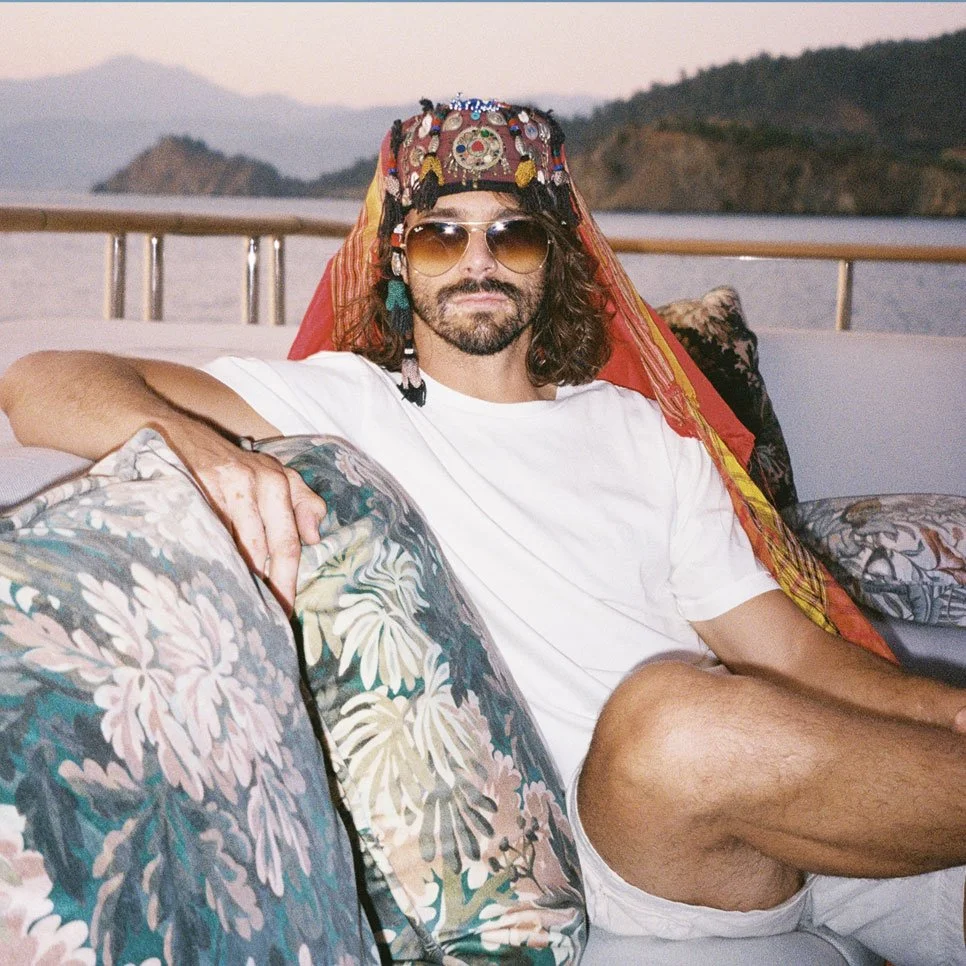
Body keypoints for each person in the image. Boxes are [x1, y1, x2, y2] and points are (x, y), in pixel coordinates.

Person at [2, 97, 964, 962]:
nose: (477, 262)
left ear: (554, 258)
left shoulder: (641, 431)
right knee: (668, 722)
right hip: (633, 847)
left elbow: (790, 654)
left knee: (711, 720)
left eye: (512, 233)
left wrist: (945, 713)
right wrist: (198, 446)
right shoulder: (345, 404)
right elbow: (38, 383)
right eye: (440, 237)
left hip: (789, 799)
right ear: (398, 263)